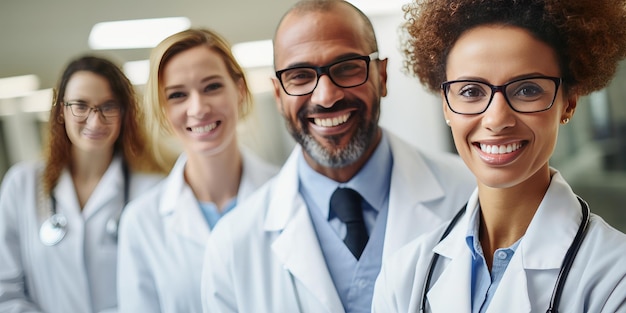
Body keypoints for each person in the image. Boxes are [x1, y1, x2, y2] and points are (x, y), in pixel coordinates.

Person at [200, 1, 475, 312]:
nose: (326, 96)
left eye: (347, 68)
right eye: (300, 76)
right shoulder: (232, 244)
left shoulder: (469, 195)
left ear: (382, 76)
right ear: (278, 95)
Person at [372, 0, 626, 312]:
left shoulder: (615, 278)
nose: (496, 119)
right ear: (445, 105)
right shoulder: (405, 275)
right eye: (470, 91)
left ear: (569, 102)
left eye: (527, 89)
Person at [116, 28, 279, 313]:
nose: (198, 108)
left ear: (239, 90)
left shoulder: (286, 191)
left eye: (212, 87)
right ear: (162, 109)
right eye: (178, 95)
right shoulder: (141, 222)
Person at [0, 55, 166, 312]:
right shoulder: (21, 185)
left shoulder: (153, 191)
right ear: (60, 111)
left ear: (124, 113)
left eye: (109, 106)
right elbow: (5, 289)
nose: (95, 120)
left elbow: (162, 286)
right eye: (80, 105)